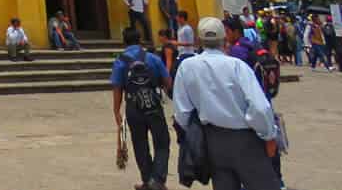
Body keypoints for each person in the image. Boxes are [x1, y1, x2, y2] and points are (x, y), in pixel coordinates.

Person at [172, 18, 279, 190]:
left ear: (199, 40)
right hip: (245, 138)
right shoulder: (237, 66)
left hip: (212, 140)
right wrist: (269, 135)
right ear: (224, 39)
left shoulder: (187, 67)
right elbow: (260, 107)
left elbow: (182, 112)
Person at [111, 26, 173, 190]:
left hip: (133, 108)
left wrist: (116, 111)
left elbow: (117, 88)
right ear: (140, 40)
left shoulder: (119, 61)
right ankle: (157, 180)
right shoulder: (153, 58)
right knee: (162, 143)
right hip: (153, 105)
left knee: (140, 145)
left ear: (124, 41)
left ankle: (148, 181)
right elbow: (168, 82)